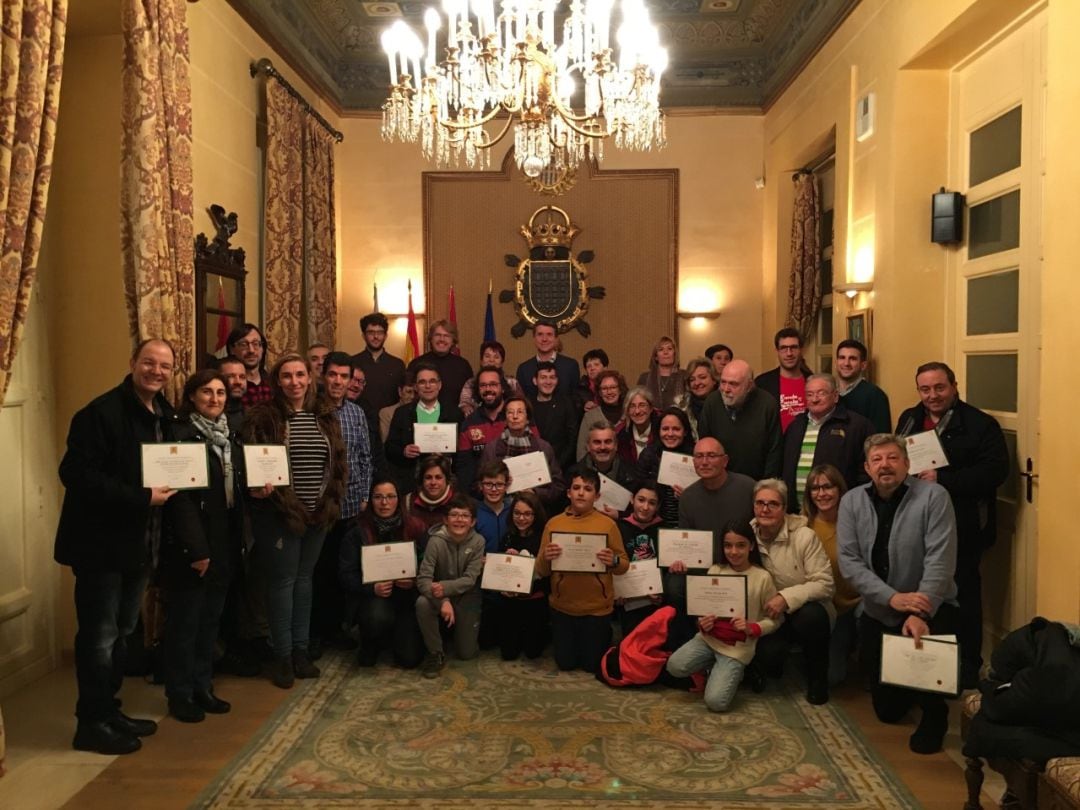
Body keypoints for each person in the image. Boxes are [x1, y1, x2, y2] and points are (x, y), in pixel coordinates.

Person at [55, 339, 178, 755]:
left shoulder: (163, 412)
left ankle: (109, 709)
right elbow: (75, 474)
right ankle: (90, 724)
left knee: (123, 633)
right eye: (149, 363)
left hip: (137, 545)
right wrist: (141, 497)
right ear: (132, 363)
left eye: (164, 366)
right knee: (99, 637)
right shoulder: (100, 413)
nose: (156, 371)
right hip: (99, 547)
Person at [837, 433, 959, 754]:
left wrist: (920, 611)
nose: (885, 465)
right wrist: (892, 598)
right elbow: (849, 562)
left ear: (907, 463)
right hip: (882, 608)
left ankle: (936, 713)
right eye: (876, 460)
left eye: (892, 458)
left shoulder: (934, 497)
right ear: (867, 467)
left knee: (928, 674)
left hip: (928, 605)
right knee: (887, 712)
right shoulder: (851, 501)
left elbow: (940, 560)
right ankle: (909, 685)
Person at [895, 361, 1008, 687]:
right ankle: (920, 667)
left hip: (964, 526)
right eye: (925, 389)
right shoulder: (909, 418)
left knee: (963, 597)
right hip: (916, 524)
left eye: (939, 388)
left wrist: (943, 480)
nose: (932, 395)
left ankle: (967, 671)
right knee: (921, 593)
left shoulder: (981, 424)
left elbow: (995, 472)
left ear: (954, 386)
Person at [243, 354, 347, 689]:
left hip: (317, 513)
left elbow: (338, 462)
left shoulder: (325, 416)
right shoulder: (263, 418)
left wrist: (329, 500)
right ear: (277, 381)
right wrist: (260, 488)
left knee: (304, 581)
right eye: (286, 376)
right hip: (279, 514)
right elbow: (253, 463)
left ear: (310, 377)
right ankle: (283, 655)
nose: (294, 382)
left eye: (300, 374)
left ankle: (301, 651)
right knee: (282, 583)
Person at [160, 370, 241, 723]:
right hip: (192, 546)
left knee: (210, 622)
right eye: (206, 392)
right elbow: (180, 501)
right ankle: (179, 694)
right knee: (185, 624)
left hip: (224, 539)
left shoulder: (229, 435)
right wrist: (198, 550)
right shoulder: (179, 436)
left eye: (220, 392)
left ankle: (203, 686)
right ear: (192, 396)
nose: (214, 398)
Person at [665, 520, 781, 713]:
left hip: (736, 648)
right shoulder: (715, 570)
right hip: (708, 639)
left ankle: (736, 671)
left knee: (716, 702)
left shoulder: (762, 578)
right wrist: (702, 622)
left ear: (751, 546)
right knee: (674, 667)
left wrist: (752, 627)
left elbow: (776, 620)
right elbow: (703, 610)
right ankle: (715, 667)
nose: (733, 552)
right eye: (728, 545)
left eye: (741, 545)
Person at [749, 478, 835, 705]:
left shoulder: (804, 536)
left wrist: (786, 598)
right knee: (769, 659)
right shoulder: (746, 535)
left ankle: (818, 679)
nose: (765, 509)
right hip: (766, 614)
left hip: (802, 611)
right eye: (760, 503)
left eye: (773, 504)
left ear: (784, 508)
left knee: (812, 616)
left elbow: (825, 583)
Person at [536, 468, 629, 673]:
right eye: (576, 488)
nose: (580, 493)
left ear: (596, 496)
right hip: (563, 607)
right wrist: (546, 557)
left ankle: (602, 636)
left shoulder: (608, 525)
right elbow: (540, 570)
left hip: (597, 608)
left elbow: (623, 565)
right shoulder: (554, 524)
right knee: (566, 664)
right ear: (568, 492)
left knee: (591, 666)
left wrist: (612, 560)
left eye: (587, 489)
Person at [311, 352, 373, 655]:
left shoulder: (356, 413)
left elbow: (364, 457)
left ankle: (337, 629)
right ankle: (314, 634)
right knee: (317, 572)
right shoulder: (311, 410)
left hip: (350, 508)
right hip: (318, 507)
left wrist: (364, 496)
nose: (338, 381)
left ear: (350, 380)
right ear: (324, 375)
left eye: (344, 376)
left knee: (342, 571)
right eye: (333, 375)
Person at [339, 478, 428, 668]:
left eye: (390, 497)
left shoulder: (415, 527)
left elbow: (428, 564)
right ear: (371, 500)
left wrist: (414, 580)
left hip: (407, 598)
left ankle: (397, 636)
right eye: (378, 497)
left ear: (399, 499)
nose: (384, 503)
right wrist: (372, 588)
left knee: (409, 660)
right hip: (373, 598)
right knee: (376, 619)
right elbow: (346, 574)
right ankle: (371, 642)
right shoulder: (357, 531)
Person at [415, 495, 485, 678]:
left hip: (467, 595)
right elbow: (423, 580)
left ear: (473, 521)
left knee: (466, 653)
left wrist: (444, 587)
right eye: (454, 515)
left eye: (464, 516)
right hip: (437, 595)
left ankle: (459, 633)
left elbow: (470, 580)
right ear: (445, 520)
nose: (459, 520)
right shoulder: (435, 541)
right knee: (422, 603)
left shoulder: (478, 542)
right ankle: (435, 652)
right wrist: (443, 600)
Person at [802, 464, 859, 686]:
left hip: (853, 604)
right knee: (831, 678)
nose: (822, 494)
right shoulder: (802, 525)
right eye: (815, 488)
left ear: (839, 489)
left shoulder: (855, 521)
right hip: (824, 608)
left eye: (827, 487)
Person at [782, 373, 872, 511]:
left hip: (839, 512)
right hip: (797, 511)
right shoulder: (796, 426)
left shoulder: (856, 426)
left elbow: (866, 471)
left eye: (821, 393)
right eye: (810, 394)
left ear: (835, 396)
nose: (815, 399)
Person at [385, 363, 464, 496]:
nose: (428, 386)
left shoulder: (454, 413)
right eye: (422, 382)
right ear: (416, 386)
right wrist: (404, 451)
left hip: (444, 483)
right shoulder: (402, 413)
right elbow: (389, 447)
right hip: (411, 481)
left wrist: (448, 456)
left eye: (432, 381)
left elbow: (461, 451)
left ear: (440, 385)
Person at [698, 359, 782, 480]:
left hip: (757, 484)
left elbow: (774, 452)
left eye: (733, 384)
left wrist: (766, 488)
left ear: (749, 385)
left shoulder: (767, 405)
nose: (726, 389)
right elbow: (705, 444)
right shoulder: (712, 402)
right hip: (719, 483)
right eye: (723, 382)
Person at [479, 395, 566, 511]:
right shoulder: (492, 448)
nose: (515, 417)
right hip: (500, 509)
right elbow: (479, 484)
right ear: (505, 418)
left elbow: (558, 487)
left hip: (535, 510)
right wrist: (500, 486)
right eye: (510, 412)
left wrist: (535, 492)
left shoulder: (543, 447)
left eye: (520, 412)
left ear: (528, 418)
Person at [677, 437, 755, 564]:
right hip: (704, 568)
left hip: (744, 566)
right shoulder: (687, 497)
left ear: (725, 461)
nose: (704, 462)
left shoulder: (748, 488)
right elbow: (687, 542)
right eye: (699, 456)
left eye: (711, 456)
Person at [494, 491, 550, 660]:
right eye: (517, 513)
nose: (521, 518)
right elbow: (500, 572)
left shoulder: (543, 539)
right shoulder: (508, 538)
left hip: (534, 601)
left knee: (533, 653)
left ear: (536, 515)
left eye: (527, 514)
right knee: (508, 654)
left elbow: (546, 577)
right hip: (510, 602)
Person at [616, 484, 664, 636]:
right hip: (628, 599)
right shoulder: (619, 528)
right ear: (632, 499)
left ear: (658, 506)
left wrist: (662, 593)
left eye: (652, 503)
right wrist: (618, 591)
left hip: (656, 598)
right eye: (641, 500)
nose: (645, 507)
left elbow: (666, 568)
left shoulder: (664, 530)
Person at [636, 407, 695, 526]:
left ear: (685, 431)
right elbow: (638, 492)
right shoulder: (649, 455)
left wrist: (689, 496)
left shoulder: (696, 455)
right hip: (655, 523)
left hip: (689, 521)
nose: (670, 434)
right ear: (658, 431)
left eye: (676, 429)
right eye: (665, 429)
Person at [456, 366, 510, 492]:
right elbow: (464, 468)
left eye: (493, 384)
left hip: (515, 493)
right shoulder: (469, 423)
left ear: (502, 388)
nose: (488, 389)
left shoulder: (517, 416)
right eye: (483, 385)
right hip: (481, 495)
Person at [576, 421, 642, 517]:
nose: (602, 447)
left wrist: (620, 515)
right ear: (588, 447)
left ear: (616, 446)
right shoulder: (574, 474)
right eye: (597, 442)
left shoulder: (633, 474)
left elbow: (640, 510)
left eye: (608, 442)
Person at [407, 319, 474, 409]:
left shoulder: (463, 365)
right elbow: (408, 395)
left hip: (455, 419)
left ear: (453, 341)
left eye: (446, 336)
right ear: (430, 338)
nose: (442, 339)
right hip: (421, 418)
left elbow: (471, 396)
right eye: (437, 335)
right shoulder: (416, 364)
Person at [755, 327, 811, 432]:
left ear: (801, 350)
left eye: (794, 347)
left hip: (807, 444)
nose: (789, 353)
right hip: (775, 445)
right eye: (784, 348)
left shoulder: (812, 381)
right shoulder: (762, 383)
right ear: (777, 351)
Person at [529, 360, 580, 473]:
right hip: (532, 467)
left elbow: (573, 439)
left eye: (552, 377)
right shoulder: (527, 405)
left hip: (562, 467)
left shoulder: (567, 404)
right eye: (543, 377)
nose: (548, 381)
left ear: (556, 381)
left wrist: (556, 466)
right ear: (535, 381)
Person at [352, 312, 406, 413]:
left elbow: (403, 398)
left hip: (390, 422)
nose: (376, 336)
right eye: (371, 332)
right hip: (360, 420)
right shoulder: (352, 362)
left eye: (380, 332)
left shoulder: (398, 365)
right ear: (363, 335)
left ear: (385, 336)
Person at [835, 339, 891, 433]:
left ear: (863, 365)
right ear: (836, 363)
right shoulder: (828, 392)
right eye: (842, 357)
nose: (846, 363)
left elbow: (881, 438)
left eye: (852, 359)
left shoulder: (875, 395)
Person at [516, 321, 580, 399]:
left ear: (556, 339)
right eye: (540, 334)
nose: (544, 339)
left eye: (549, 334)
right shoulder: (524, 369)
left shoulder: (570, 366)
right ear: (534, 338)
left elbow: (576, 399)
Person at [458, 340, 521, 416]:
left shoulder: (512, 382)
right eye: (487, 356)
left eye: (496, 357)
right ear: (481, 361)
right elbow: (464, 402)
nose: (491, 360)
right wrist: (467, 408)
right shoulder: (471, 383)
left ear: (502, 362)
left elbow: (521, 404)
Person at [576, 369, 627, 459]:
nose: (609, 392)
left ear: (620, 390)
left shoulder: (629, 414)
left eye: (613, 387)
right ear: (599, 392)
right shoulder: (590, 416)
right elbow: (581, 451)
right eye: (604, 388)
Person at [406, 454, 458, 531]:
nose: (433, 482)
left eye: (438, 477)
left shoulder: (459, 502)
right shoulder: (407, 502)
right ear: (421, 480)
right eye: (428, 477)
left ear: (447, 480)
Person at [226, 324, 272, 409]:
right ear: (232, 349)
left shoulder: (273, 384)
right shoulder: (227, 385)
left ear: (262, 349)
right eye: (244, 344)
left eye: (255, 344)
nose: (251, 350)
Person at [637, 336, 687, 409]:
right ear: (656, 356)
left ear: (674, 354)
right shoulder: (644, 378)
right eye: (661, 349)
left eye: (669, 349)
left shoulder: (684, 375)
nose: (666, 352)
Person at [617, 386, 661, 465]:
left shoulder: (662, 431)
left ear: (651, 408)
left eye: (642, 405)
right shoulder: (621, 434)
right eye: (632, 406)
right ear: (627, 411)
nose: (637, 411)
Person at [679, 358, 717, 440]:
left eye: (702, 377)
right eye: (692, 380)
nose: (697, 383)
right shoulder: (681, 407)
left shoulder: (727, 404)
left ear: (714, 379)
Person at [379, 372, 415, 442]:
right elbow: (386, 442)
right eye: (409, 392)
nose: (413, 396)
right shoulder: (387, 413)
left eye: (416, 393)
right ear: (400, 391)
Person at [575, 348, 609, 414]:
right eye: (589, 366)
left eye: (596, 364)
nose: (592, 368)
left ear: (605, 368)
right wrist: (583, 406)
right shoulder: (579, 388)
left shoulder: (616, 385)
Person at [217, 356, 248, 426]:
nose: (238, 382)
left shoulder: (253, 418)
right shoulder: (206, 417)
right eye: (230, 376)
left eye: (242, 377)